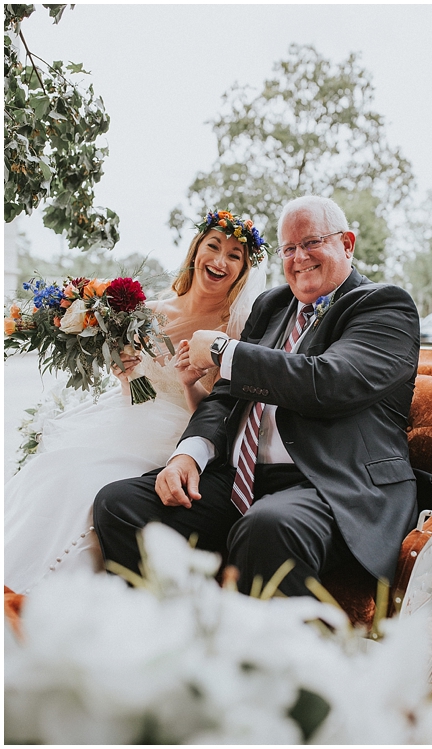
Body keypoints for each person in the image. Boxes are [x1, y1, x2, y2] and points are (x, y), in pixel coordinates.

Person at [93, 195, 421, 599]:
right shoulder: (273, 304)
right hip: (241, 478)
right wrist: (188, 455)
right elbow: (227, 393)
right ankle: (169, 637)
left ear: (347, 244)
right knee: (119, 504)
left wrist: (222, 351)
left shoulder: (384, 306)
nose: (299, 257)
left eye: (312, 242)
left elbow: (328, 383)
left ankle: (266, 659)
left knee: (267, 526)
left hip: (330, 483)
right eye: (288, 248)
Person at [4, 210, 267, 593]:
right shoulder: (151, 313)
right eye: (213, 246)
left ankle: (53, 597)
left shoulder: (234, 328)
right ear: (196, 251)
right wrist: (125, 372)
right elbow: (137, 388)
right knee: (50, 470)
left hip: (176, 433)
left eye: (234, 255)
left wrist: (190, 382)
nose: (219, 260)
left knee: (84, 483)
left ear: (242, 270)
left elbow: (219, 417)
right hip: (128, 417)